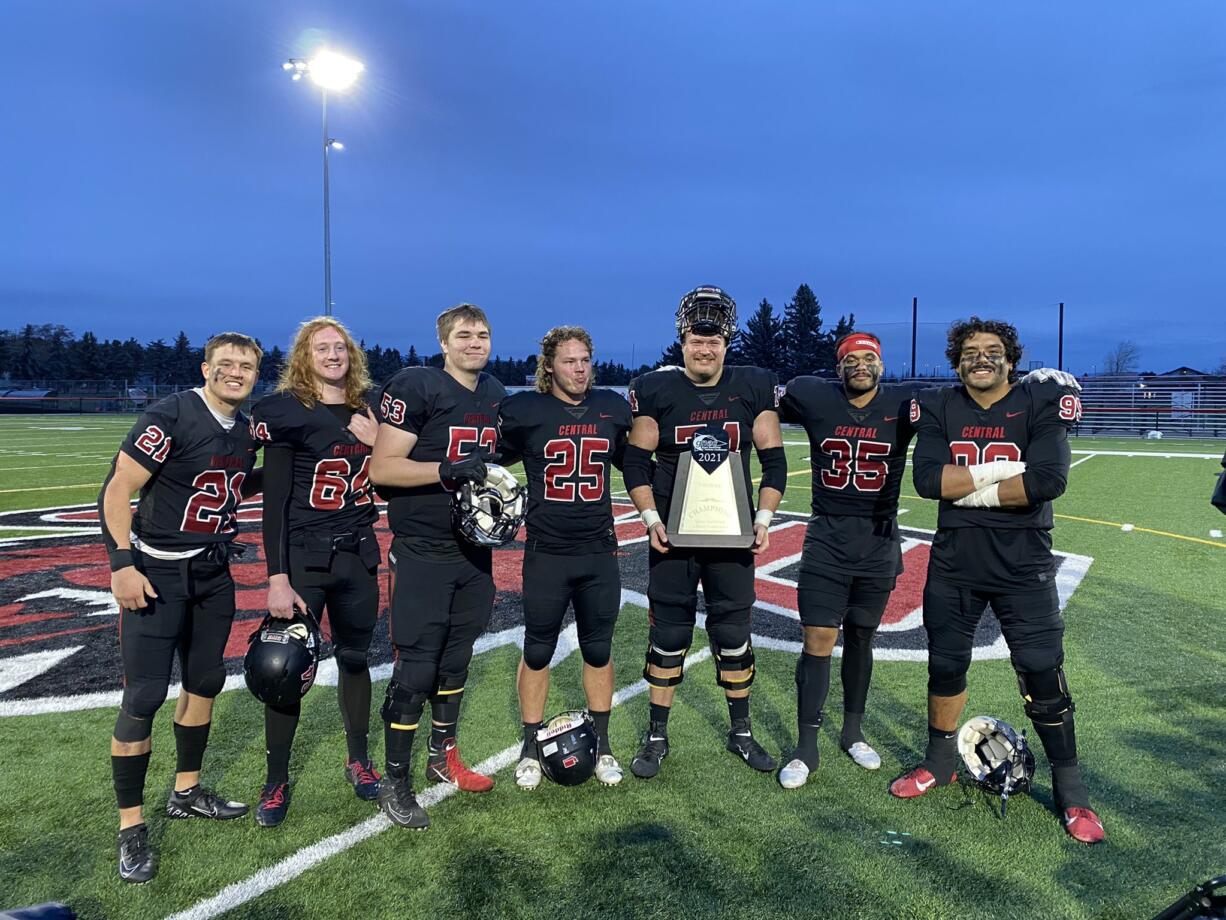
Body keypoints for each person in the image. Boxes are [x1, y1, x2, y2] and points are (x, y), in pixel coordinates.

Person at [892, 316, 1105, 845]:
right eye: (969, 351)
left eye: (991, 350)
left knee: (1041, 672)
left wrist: (966, 487)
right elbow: (927, 481)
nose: (980, 358)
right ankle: (939, 762)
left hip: (1023, 567)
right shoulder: (941, 405)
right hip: (955, 564)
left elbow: (1049, 480)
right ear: (956, 360)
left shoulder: (1037, 401)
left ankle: (1071, 789)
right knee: (945, 666)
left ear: (1010, 358)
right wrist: (1009, 470)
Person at [99, 332, 263, 883]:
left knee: (205, 680)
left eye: (246, 365)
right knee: (144, 694)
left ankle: (186, 791)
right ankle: (131, 827)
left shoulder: (245, 428)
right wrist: (122, 563)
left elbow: (232, 481)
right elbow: (119, 488)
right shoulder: (172, 413)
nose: (236, 372)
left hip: (212, 572)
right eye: (227, 363)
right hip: (156, 572)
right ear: (207, 366)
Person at [621, 285, 787, 780]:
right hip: (673, 535)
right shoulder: (657, 388)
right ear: (683, 339)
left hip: (731, 535)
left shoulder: (753, 384)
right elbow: (634, 461)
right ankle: (656, 736)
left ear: (727, 341)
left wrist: (763, 519)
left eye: (713, 340)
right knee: (669, 633)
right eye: (697, 338)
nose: (705, 348)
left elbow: (774, 460)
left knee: (734, 633)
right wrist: (651, 520)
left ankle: (741, 732)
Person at [369, 303, 504, 829]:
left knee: (456, 659)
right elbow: (383, 469)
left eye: (484, 335)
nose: (476, 343)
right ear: (444, 344)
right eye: (465, 335)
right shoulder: (418, 385)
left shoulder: (493, 394)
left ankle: (442, 757)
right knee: (418, 665)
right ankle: (394, 780)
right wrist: (447, 470)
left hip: (474, 550)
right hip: (424, 548)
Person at [248, 316, 382, 827]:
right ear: (304, 356)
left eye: (340, 347)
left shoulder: (368, 408)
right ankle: (276, 779)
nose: (333, 355)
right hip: (304, 555)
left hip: (357, 553)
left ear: (352, 354)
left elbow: (389, 483)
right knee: (283, 668)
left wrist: (378, 443)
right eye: (322, 348)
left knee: (355, 659)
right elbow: (275, 502)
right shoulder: (287, 411)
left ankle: (358, 759)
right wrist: (276, 576)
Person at [776, 332, 915, 788]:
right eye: (850, 359)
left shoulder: (904, 402)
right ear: (838, 367)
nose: (860, 365)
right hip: (827, 538)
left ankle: (852, 732)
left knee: (861, 637)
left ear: (881, 363)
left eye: (868, 358)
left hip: (878, 541)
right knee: (817, 638)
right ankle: (806, 747)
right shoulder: (815, 396)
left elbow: (968, 403)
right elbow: (755, 400)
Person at [496, 326, 633, 789]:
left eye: (585, 360)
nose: (579, 369)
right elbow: (488, 457)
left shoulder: (612, 406)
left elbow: (636, 464)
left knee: (598, 649)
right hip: (547, 552)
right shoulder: (526, 410)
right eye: (569, 361)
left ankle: (604, 743)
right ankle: (531, 744)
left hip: (598, 551)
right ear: (549, 366)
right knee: (538, 649)